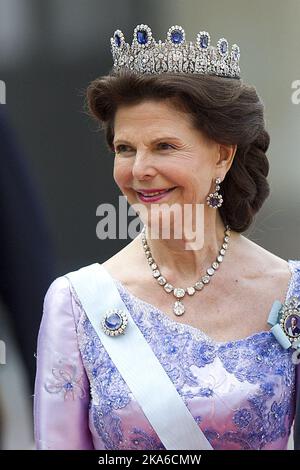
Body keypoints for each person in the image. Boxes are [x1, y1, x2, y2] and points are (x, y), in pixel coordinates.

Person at [34, 24, 300, 450]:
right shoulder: (77, 304)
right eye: (125, 149)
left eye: (164, 146)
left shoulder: (291, 293)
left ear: (222, 155)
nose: (139, 170)